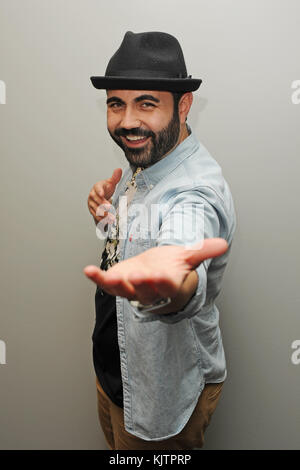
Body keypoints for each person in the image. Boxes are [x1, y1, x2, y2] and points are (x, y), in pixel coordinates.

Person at [84, 31, 236, 450]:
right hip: (118, 375)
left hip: (160, 401)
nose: (127, 121)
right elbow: (138, 237)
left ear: (183, 106)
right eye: (117, 103)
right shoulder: (152, 158)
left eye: (146, 103)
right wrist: (107, 217)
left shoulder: (194, 192)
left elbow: (181, 255)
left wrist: (171, 290)